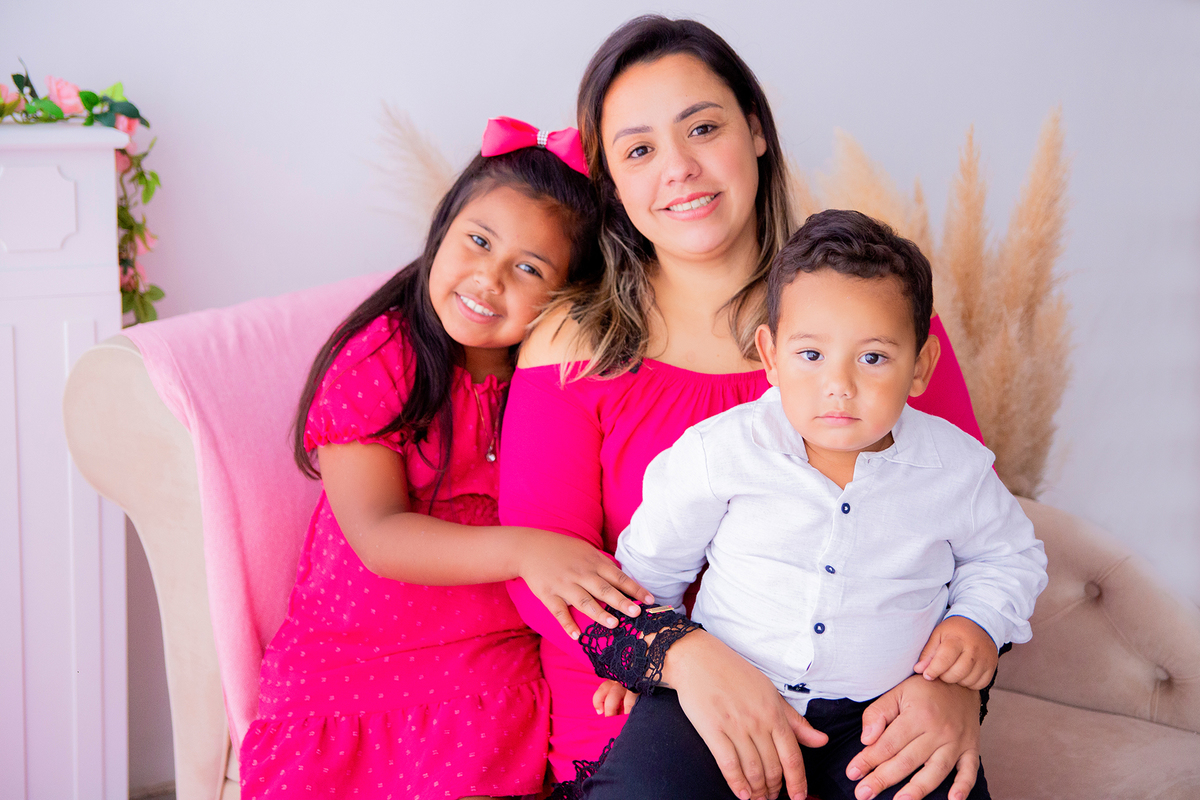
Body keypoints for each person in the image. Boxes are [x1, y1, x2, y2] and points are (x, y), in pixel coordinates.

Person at [499, 16, 997, 800]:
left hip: (868, 720)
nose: (681, 169)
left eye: (703, 127)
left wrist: (962, 688)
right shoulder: (573, 341)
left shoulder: (878, 318)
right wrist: (687, 659)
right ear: (613, 181)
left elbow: (970, 529)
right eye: (640, 150)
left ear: (757, 131)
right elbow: (546, 575)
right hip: (647, 714)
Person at [238, 118, 652, 800]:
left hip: (490, 669)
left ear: (567, 293)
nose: (488, 279)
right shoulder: (384, 355)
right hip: (352, 666)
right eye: (478, 241)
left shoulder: (554, 377)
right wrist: (527, 551)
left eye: (528, 268)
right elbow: (377, 534)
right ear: (443, 227)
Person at [595, 209, 1049, 800]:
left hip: (880, 715)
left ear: (921, 366)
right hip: (725, 695)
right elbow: (650, 566)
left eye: (873, 358)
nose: (840, 384)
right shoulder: (720, 452)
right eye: (811, 355)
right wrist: (645, 659)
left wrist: (977, 621)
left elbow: (1009, 557)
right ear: (770, 354)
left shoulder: (956, 469)